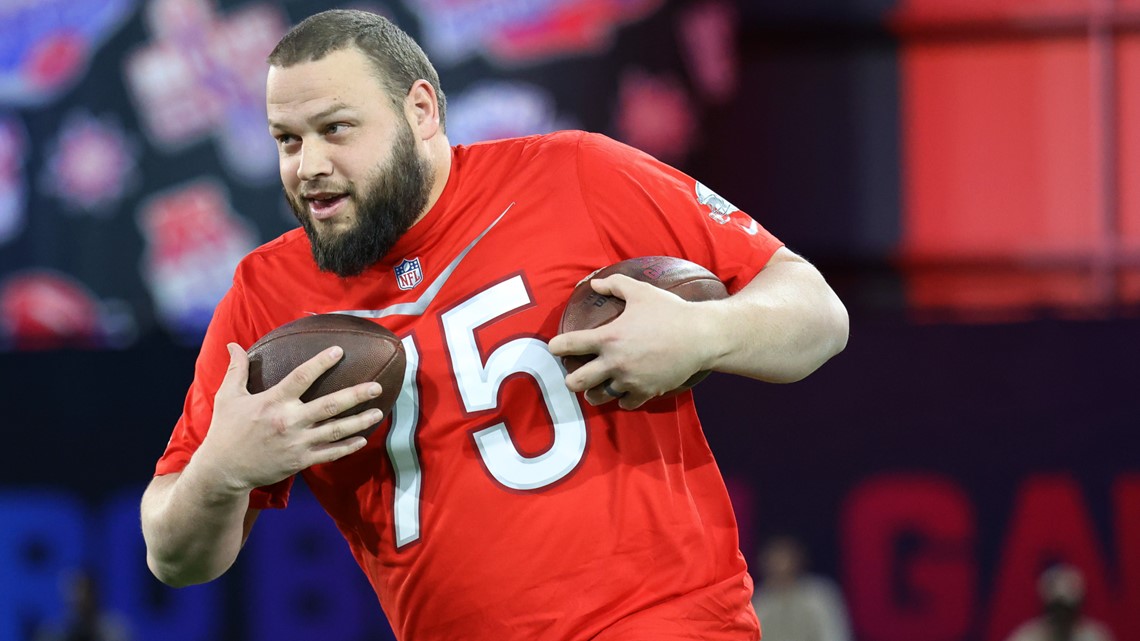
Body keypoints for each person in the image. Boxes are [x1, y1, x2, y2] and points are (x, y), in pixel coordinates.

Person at [139, 9, 848, 641]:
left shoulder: (578, 175)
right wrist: (222, 470)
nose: (310, 167)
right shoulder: (267, 291)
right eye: (286, 140)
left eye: (335, 129)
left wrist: (705, 334)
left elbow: (817, 310)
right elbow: (172, 554)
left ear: (420, 110)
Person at [751, 536, 853, 641]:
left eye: (784, 555)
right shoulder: (758, 601)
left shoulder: (820, 595)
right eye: (773, 557)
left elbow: (834, 634)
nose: (779, 563)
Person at [1004, 564, 1116, 641]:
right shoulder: (1025, 637)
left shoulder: (1096, 637)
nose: (1061, 617)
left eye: (1066, 610)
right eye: (1055, 609)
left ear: (1079, 608)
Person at [33, 568, 133, 641]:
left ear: (95, 594)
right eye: (74, 592)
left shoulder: (115, 631)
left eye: (85, 593)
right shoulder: (52, 634)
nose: (80, 598)